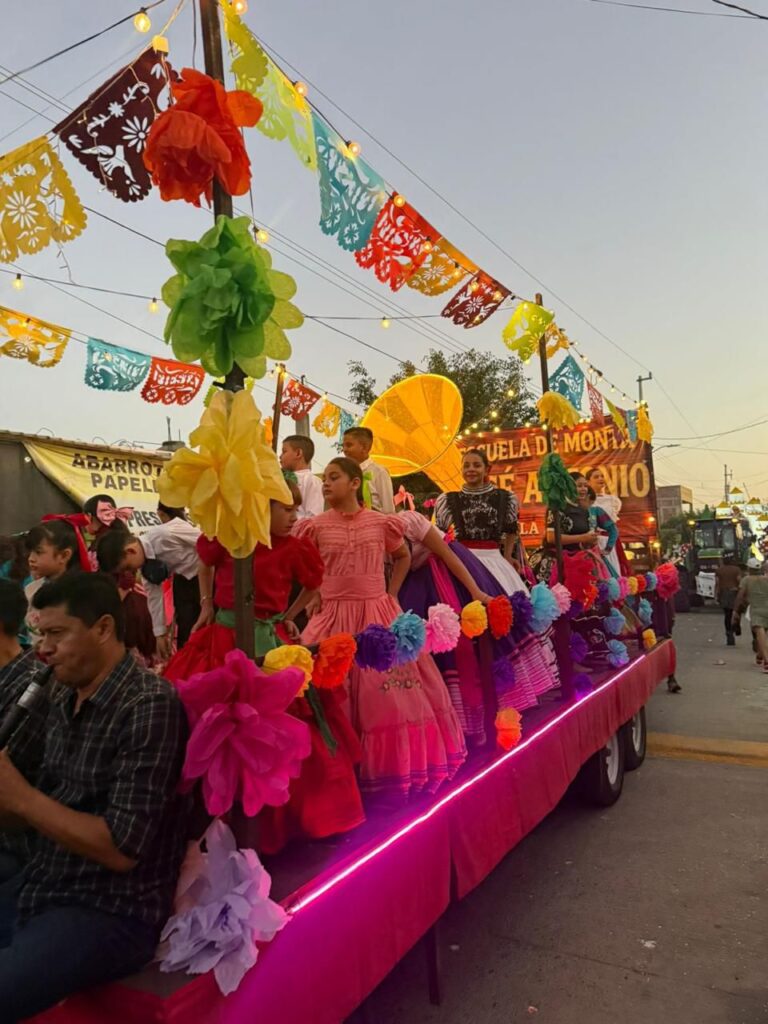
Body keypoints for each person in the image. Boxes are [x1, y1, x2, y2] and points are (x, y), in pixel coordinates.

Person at [0, 573, 189, 1020]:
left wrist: (20, 797)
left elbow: (122, 848)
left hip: (110, 909)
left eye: (56, 634)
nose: (42, 649)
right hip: (44, 882)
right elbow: (20, 806)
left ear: (103, 628)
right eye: (39, 634)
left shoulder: (149, 704)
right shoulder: (58, 692)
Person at [165, 479, 364, 852]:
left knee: (288, 725)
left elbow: (313, 586)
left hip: (272, 643)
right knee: (216, 725)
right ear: (261, 508)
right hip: (222, 641)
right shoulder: (231, 537)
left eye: (294, 509)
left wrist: (286, 616)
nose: (293, 517)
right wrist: (206, 604)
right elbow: (205, 562)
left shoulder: (294, 548)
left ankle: (295, 821)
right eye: (285, 509)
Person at [295, 457, 466, 798]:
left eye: (333, 477)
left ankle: (388, 772)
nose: (326, 484)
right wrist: (311, 596)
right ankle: (339, 775)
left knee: (385, 698)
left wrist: (391, 593)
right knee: (329, 692)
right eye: (325, 478)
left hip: (376, 613)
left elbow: (402, 556)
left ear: (355, 483)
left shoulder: (380, 523)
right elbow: (311, 571)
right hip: (332, 618)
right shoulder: (314, 527)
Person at [96, 505, 207, 657]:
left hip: (209, 577)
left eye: (128, 567)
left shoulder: (166, 534)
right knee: (188, 638)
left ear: (131, 551)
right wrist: (160, 635)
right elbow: (154, 598)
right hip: (185, 585)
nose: (130, 572)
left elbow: (208, 543)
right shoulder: (146, 566)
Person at [434, 449, 528, 594]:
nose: (471, 469)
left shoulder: (504, 498)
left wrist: (508, 556)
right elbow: (439, 534)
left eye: (477, 465)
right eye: (466, 466)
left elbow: (511, 529)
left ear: (487, 469)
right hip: (463, 561)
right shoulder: (449, 500)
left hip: (495, 560)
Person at [23, 520, 83, 644]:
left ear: (64, 555)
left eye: (38, 552)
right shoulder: (31, 589)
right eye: (31, 552)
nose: (31, 558)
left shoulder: (78, 593)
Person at [342, 426, 395, 513]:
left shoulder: (379, 472)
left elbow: (388, 509)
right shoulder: (344, 474)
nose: (344, 450)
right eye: (343, 446)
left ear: (364, 448)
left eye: (349, 445)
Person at [585, 467, 625, 576]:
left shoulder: (613, 500)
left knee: (612, 570)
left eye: (602, 476)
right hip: (592, 540)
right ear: (588, 482)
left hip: (608, 540)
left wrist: (609, 546)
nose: (600, 479)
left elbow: (612, 526)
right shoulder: (586, 501)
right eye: (596, 477)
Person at [733, 558, 768, 671]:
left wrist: (735, 611)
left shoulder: (746, 580)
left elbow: (740, 596)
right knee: (763, 636)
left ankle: (767, 660)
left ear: (749, 568)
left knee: (760, 634)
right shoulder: (766, 579)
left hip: (756, 610)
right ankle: (760, 655)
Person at [280, 435, 324, 519]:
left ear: (298, 453)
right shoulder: (279, 478)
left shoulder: (312, 481)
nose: (280, 456)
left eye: (284, 451)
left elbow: (314, 515)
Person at [585, 486, 619, 578]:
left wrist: (607, 549)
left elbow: (613, 530)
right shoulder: (569, 511)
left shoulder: (595, 511)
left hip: (592, 555)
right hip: (571, 555)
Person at [715, 555, 742, 647]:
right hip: (734, 593)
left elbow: (717, 583)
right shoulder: (736, 569)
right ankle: (736, 626)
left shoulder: (719, 570)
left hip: (724, 593)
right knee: (736, 611)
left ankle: (729, 632)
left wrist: (716, 595)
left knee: (727, 614)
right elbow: (739, 581)